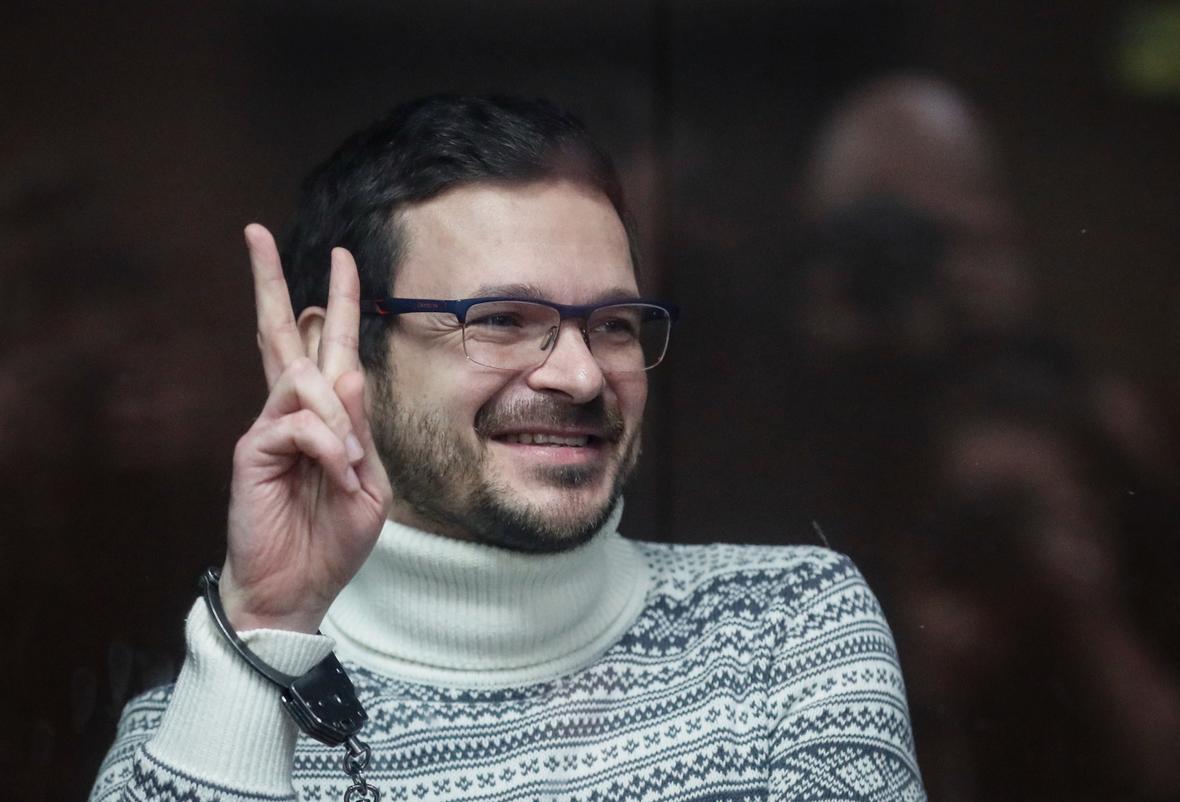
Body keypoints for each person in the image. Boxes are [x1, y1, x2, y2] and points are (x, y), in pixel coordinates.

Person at [89, 94, 924, 802]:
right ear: (333, 353)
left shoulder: (785, 633)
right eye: (499, 322)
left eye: (613, 324)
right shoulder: (194, 734)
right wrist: (267, 632)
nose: (580, 374)